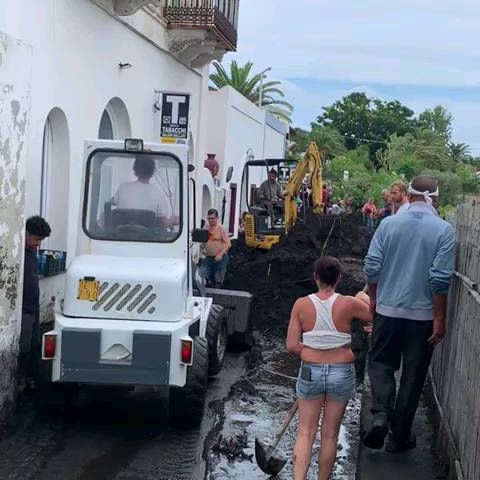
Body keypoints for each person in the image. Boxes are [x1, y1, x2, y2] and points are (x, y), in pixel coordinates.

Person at [363, 175, 455, 453]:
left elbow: (372, 265)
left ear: (409, 195)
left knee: (381, 363)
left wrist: (375, 298)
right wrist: (439, 317)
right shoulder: (444, 230)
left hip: (387, 310)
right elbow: (439, 279)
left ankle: (380, 413)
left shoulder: (388, 224)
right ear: (434, 198)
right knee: (413, 373)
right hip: (422, 316)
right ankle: (399, 435)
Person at [287, 256, 372, 480]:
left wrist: (310, 350)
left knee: (305, 432)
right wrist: (363, 302)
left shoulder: (301, 305)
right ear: (339, 278)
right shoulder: (348, 303)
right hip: (341, 372)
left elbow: (292, 345)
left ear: (315, 278)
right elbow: (376, 316)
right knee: (330, 435)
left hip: (310, 371)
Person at [19, 216, 51, 389]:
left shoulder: (32, 252)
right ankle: (19, 381)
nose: (38, 244)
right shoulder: (17, 253)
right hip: (22, 309)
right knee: (23, 348)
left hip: (32, 306)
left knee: (34, 344)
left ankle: (28, 380)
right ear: (26, 233)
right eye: (37, 239)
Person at [112, 157, 171, 226]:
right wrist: (174, 220)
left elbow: (112, 202)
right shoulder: (158, 193)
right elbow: (164, 222)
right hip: (147, 236)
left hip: (120, 234)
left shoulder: (123, 187)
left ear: (135, 169)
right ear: (152, 172)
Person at [200, 209, 231, 288]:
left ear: (217, 218)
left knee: (218, 279)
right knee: (202, 275)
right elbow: (203, 239)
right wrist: (202, 247)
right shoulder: (206, 227)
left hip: (220, 258)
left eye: (212, 218)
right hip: (208, 258)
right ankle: (207, 286)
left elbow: (228, 244)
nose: (210, 220)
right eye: (209, 218)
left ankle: (217, 293)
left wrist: (220, 255)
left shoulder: (221, 228)